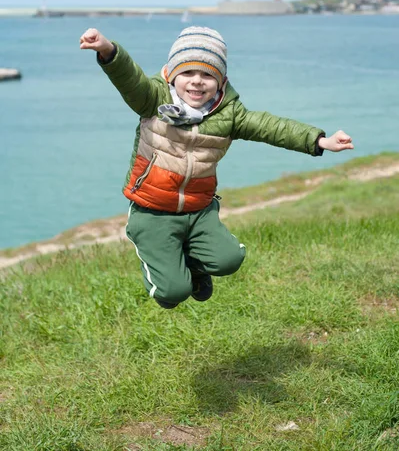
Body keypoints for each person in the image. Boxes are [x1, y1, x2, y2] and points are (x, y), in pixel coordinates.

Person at [80, 25, 354, 309]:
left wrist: (320, 141)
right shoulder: (152, 99)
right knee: (172, 292)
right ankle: (165, 274)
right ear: (173, 75)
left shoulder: (230, 114)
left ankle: (195, 266)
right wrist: (107, 49)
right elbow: (128, 78)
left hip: (199, 210)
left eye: (208, 74)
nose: (197, 82)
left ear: (221, 80)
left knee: (229, 259)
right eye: (188, 73)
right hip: (152, 209)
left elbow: (274, 128)